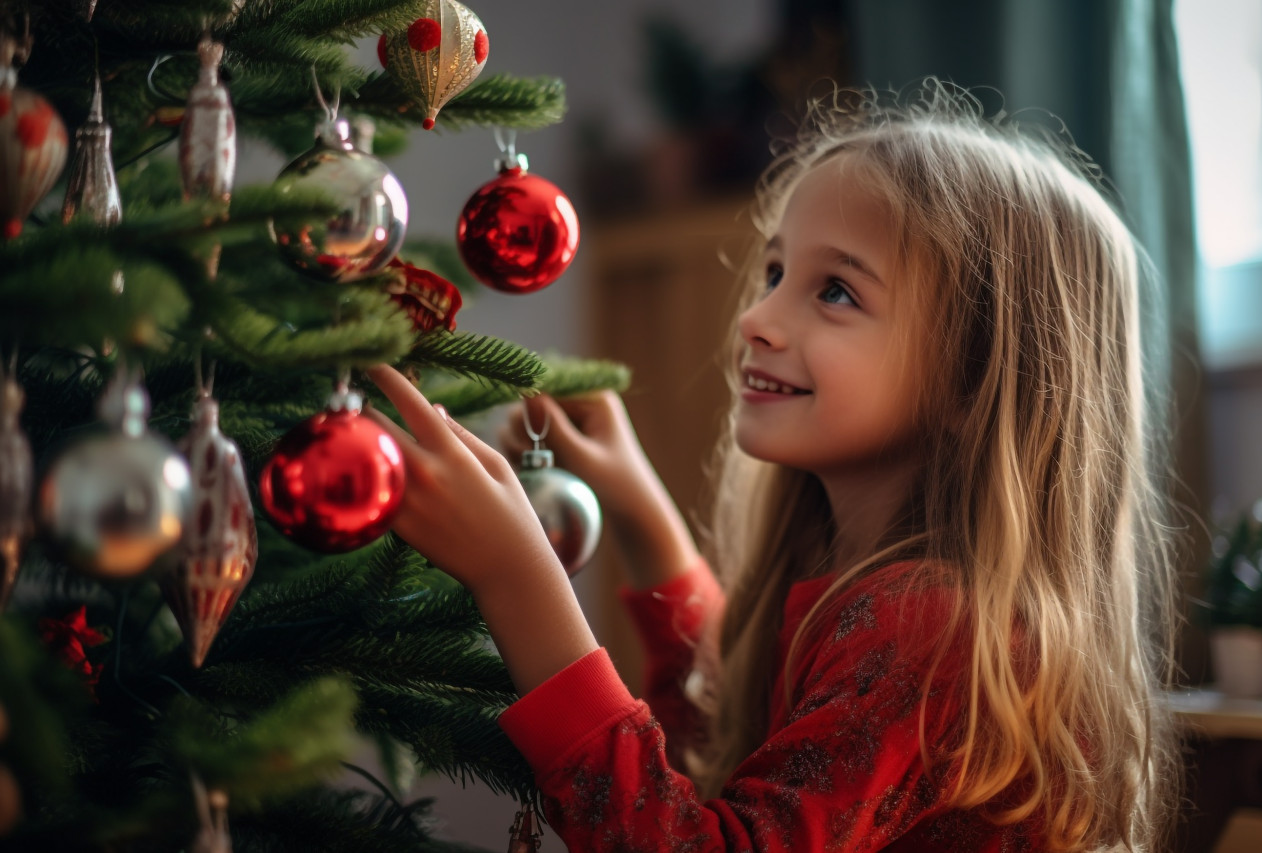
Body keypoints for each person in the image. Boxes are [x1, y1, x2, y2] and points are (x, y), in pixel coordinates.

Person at [365, 80, 1182, 852]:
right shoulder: (883, 587)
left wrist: (517, 578)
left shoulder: (937, 629)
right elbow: (725, 745)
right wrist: (643, 514)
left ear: (977, 377)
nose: (757, 316)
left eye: (836, 292)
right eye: (776, 271)